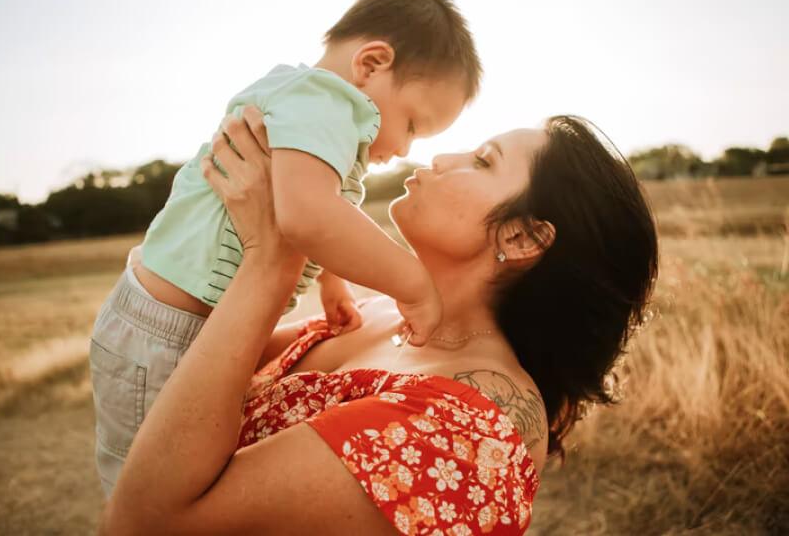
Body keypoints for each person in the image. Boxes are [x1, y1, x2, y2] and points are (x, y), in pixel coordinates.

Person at [99, 108, 658, 535]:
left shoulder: (472, 428)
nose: (439, 158)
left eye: (483, 161)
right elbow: (180, 372)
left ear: (523, 236)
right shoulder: (376, 313)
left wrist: (272, 258)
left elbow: (144, 524)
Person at [89, 0, 482, 496]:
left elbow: (320, 208)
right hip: (165, 331)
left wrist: (332, 285)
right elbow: (308, 215)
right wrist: (414, 285)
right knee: (146, 488)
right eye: (411, 124)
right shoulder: (322, 102)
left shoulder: (316, 116)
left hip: (185, 325)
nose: (405, 147)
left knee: (187, 471)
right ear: (371, 63)